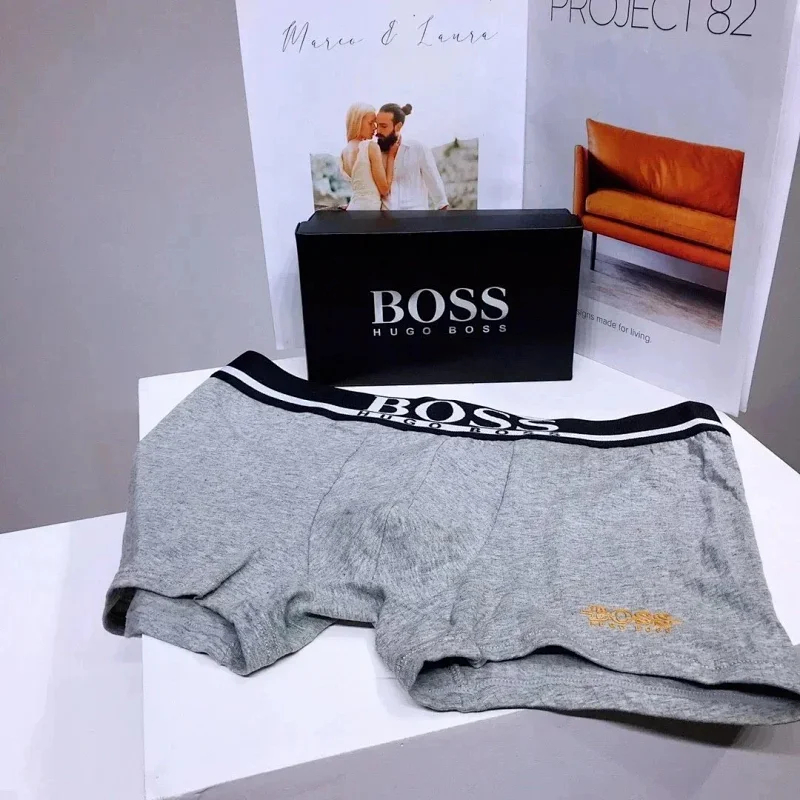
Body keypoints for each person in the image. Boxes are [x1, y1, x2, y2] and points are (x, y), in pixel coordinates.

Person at [376, 103, 448, 211]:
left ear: (398, 126)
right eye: (377, 125)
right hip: (385, 219)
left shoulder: (418, 149)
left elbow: (436, 188)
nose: (378, 131)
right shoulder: (375, 153)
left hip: (415, 218)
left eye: (383, 126)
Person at [340, 103, 395, 210]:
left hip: (353, 208)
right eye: (371, 123)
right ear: (357, 123)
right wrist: (391, 157)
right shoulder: (370, 147)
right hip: (369, 210)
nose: (375, 127)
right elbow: (384, 190)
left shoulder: (344, 152)